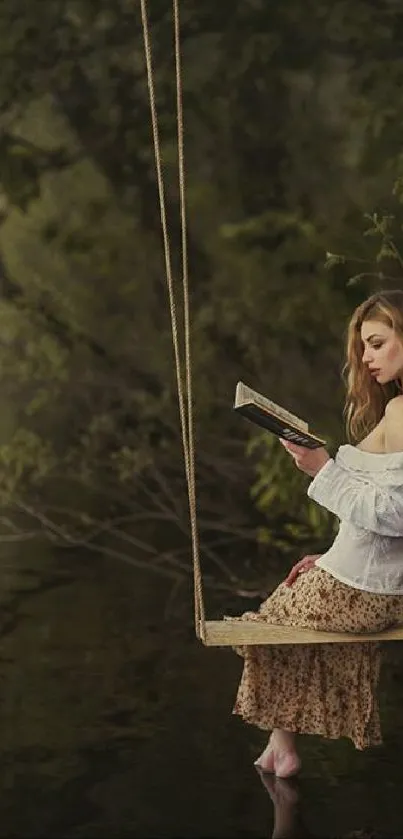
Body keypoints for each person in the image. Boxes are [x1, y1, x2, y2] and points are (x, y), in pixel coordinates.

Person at [227, 289, 403, 778]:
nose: (366, 357)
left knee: (263, 627)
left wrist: (322, 467)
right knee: (287, 612)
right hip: (372, 583)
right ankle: (280, 747)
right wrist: (327, 558)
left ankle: (282, 749)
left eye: (377, 342)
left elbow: (393, 516)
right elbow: (376, 511)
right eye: (363, 346)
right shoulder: (396, 410)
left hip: (369, 592)